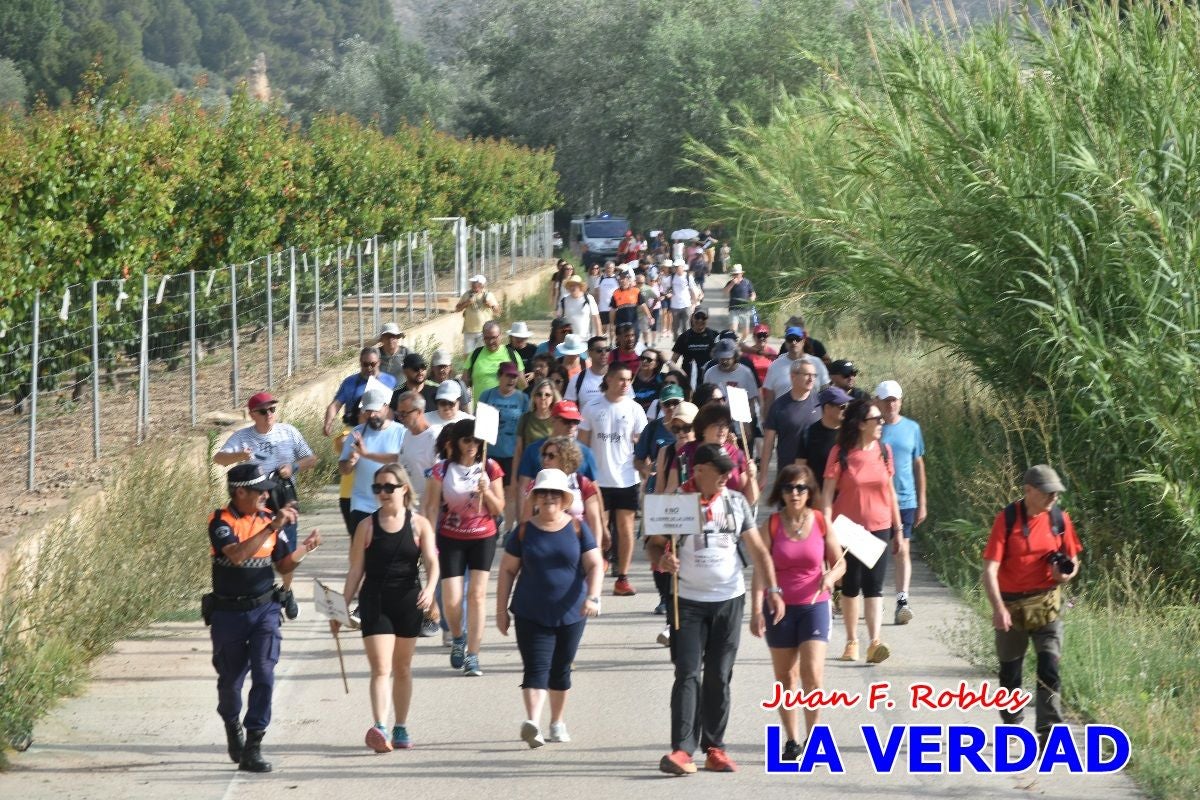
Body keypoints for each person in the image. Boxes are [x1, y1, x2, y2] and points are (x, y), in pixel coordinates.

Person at [647, 444, 784, 776]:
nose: (726, 476)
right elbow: (652, 544)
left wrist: (774, 591)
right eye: (719, 470)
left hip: (729, 600)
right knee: (688, 673)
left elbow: (759, 550)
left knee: (720, 676)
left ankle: (715, 748)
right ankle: (682, 750)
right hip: (688, 601)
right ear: (698, 470)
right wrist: (662, 559)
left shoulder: (735, 502)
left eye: (728, 471)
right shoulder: (676, 501)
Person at [206, 463, 322, 773]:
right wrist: (271, 528)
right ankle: (232, 723)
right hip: (228, 613)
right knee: (230, 682)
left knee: (265, 673)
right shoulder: (221, 522)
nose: (266, 496)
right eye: (260, 491)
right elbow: (236, 555)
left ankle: (254, 744)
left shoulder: (270, 519)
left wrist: (304, 550)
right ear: (240, 491)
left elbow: (283, 566)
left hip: (265, 611)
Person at [496, 468, 603, 748]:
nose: (549, 498)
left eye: (555, 493)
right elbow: (507, 570)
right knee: (535, 668)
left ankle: (556, 722)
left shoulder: (578, 528)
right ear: (536, 498)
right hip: (530, 612)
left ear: (564, 498)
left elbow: (594, 564)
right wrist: (500, 610)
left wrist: (593, 596)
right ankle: (532, 723)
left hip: (572, 612)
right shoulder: (523, 531)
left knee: (560, 669)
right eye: (543, 493)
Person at [338, 464, 438, 752]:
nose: (382, 493)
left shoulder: (419, 525)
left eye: (388, 487)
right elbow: (355, 571)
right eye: (377, 488)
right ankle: (380, 726)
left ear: (404, 488)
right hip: (375, 601)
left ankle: (401, 726)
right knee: (381, 667)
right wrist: (341, 608)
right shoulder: (366, 526)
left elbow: (432, 561)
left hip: (409, 600)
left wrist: (430, 589)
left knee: (402, 668)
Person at [982, 465, 1082, 749]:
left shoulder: (1059, 519)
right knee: (1010, 672)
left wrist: (1066, 574)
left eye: (1056, 493)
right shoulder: (1008, 519)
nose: (1053, 498)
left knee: (1049, 666)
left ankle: (1049, 733)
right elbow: (989, 570)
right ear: (1029, 491)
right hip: (1011, 606)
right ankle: (1012, 725)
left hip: (1047, 604)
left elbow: (1073, 560)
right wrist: (998, 608)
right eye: (1048, 493)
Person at [752, 464, 844, 759]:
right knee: (786, 678)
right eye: (789, 488)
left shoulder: (820, 522)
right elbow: (759, 570)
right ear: (780, 492)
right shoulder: (772, 526)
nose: (795, 493)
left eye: (801, 488)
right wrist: (756, 609)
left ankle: (814, 738)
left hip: (815, 605)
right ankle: (792, 740)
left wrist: (830, 577)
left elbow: (839, 561)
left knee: (812, 675)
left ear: (810, 492)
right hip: (779, 609)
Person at [821, 399, 902, 665]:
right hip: (848, 529)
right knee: (852, 586)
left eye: (881, 420)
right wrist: (827, 531)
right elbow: (827, 495)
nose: (880, 424)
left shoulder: (884, 451)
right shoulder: (840, 452)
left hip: (879, 527)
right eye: (875, 420)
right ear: (860, 424)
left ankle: (874, 642)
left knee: (874, 587)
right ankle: (851, 641)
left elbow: (890, 492)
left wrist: (898, 529)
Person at [423, 419, 505, 677]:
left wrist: (487, 492)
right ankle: (458, 637)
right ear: (456, 442)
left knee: (477, 596)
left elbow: (499, 508)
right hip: (451, 537)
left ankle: (473, 655)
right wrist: (426, 540)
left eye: (476, 441)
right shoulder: (441, 471)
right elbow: (431, 507)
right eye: (466, 440)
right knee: (451, 599)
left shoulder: (490, 468)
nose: (472, 446)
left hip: (483, 537)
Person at [578, 363, 647, 597]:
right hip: (598, 480)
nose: (625, 384)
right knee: (598, 530)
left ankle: (623, 577)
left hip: (627, 479)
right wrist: (583, 476)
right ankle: (596, 571)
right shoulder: (591, 406)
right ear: (608, 379)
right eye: (620, 379)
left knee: (626, 529)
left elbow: (641, 443)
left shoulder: (635, 409)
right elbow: (583, 445)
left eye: (628, 380)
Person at [875, 380, 927, 625]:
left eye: (894, 399)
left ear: (900, 401)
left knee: (901, 549)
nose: (891, 404)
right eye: (886, 400)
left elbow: (918, 464)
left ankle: (902, 600)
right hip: (877, 500)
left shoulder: (912, 428)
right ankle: (873, 597)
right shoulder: (872, 429)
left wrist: (922, 501)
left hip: (905, 498)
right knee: (874, 551)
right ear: (878, 402)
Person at [339, 387, 406, 537]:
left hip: (392, 503)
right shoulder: (356, 433)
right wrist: (350, 461)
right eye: (368, 411)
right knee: (362, 554)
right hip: (362, 504)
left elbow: (403, 461)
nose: (372, 415)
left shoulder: (401, 432)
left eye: (376, 410)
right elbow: (343, 470)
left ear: (386, 408)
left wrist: (367, 454)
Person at [663, 402, 758, 507]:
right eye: (717, 424)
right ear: (703, 427)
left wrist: (752, 478)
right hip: (695, 514)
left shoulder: (736, 454)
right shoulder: (686, 452)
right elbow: (671, 491)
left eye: (725, 424)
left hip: (728, 517)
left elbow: (749, 501)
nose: (722, 429)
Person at [516, 400, 599, 518]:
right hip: (541, 521)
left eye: (575, 422)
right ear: (553, 420)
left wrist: (602, 525)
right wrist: (521, 523)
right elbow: (523, 488)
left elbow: (594, 492)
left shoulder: (586, 453)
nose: (571, 426)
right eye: (566, 421)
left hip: (576, 525)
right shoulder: (533, 450)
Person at [479, 361, 531, 524]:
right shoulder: (487, 396)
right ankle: (492, 523)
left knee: (511, 492)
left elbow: (526, 427)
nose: (511, 380)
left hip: (512, 453)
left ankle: (508, 529)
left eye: (514, 377)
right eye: (508, 376)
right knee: (490, 491)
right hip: (490, 453)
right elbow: (480, 424)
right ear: (499, 376)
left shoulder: (522, 398)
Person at [759, 361, 821, 490]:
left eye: (814, 375)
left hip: (815, 474)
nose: (811, 379)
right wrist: (763, 475)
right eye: (807, 374)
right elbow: (768, 443)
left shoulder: (821, 403)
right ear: (793, 376)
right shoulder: (779, 406)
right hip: (789, 474)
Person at [323, 347, 397, 436]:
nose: (369, 368)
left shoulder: (390, 381)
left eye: (373, 364)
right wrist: (328, 423)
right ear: (360, 363)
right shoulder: (349, 382)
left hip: (381, 430)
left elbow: (395, 406)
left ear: (379, 362)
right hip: (354, 430)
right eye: (365, 364)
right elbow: (335, 405)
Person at [761, 327, 829, 413]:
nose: (794, 342)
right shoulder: (775, 365)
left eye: (797, 339)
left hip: (812, 418)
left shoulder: (817, 363)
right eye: (790, 339)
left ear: (803, 341)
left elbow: (826, 392)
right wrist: (766, 421)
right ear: (785, 343)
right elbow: (769, 398)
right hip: (783, 417)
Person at [797, 386, 851, 492]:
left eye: (847, 406)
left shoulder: (851, 432)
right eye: (842, 406)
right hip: (817, 500)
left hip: (846, 499)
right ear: (827, 408)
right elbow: (800, 468)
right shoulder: (809, 433)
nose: (846, 409)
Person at [635, 384, 682, 492]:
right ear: (661, 405)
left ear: (683, 403)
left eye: (675, 403)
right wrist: (646, 469)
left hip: (684, 486)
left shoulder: (691, 426)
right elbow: (637, 459)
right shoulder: (652, 428)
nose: (671, 407)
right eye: (667, 403)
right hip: (658, 486)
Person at [394, 391, 439, 499]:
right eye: (399, 414)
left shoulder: (434, 438)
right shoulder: (407, 433)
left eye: (404, 413)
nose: (401, 418)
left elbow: (439, 476)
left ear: (419, 412)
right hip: (408, 504)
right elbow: (401, 460)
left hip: (426, 507)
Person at [514, 378, 559, 484]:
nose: (543, 398)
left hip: (551, 473)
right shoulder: (525, 418)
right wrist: (513, 479)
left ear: (553, 398)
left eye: (547, 395)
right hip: (528, 472)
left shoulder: (557, 420)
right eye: (539, 394)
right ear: (534, 397)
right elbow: (518, 450)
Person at [465, 321, 525, 399]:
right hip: (482, 408)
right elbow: (464, 384)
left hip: (506, 407)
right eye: (487, 338)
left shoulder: (512, 354)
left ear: (501, 336)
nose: (490, 342)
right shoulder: (474, 355)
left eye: (493, 337)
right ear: (483, 337)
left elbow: (522, 385)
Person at [672, 307, 719, 389]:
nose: (700, 320)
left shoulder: (715, 335)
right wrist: (674, 377)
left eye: (703, 317)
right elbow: (673, 360)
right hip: (688, 379)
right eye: (697, 317)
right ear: (692, 317)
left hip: (709, 378)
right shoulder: (684, 337)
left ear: (707, 319)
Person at [456, 274, 500, 353]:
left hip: (484, 332)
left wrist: (490, 305)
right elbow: (457, 308)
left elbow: (498, 311)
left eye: (474, 282)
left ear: (481, 284)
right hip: (469, 331)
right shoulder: (467, 295)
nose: (472, 284)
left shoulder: (488, 295)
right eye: (472, 282)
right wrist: (467, 303)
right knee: (468, 355)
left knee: (482, 354)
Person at [565, 335, 610, 407]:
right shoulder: (577, 380)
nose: (604, 353)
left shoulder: (619, 376)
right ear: (589, 353)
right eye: (599, 350)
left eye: (607, 349)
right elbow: (569, 408)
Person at [609, 270, 652, 340]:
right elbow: (612, 310)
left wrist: (649, 317)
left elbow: (643, 305)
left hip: (633, 320)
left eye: (624, 278)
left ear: (628, 279)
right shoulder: (616, 293)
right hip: (621, 320)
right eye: (620, 278)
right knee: (621, 338)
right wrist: (611, 324)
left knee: (636, 336)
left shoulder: (636, 291)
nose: (622, 280)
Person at [664, 260, 700, 339]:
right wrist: (668, 294)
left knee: (686, 326)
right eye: (675, 267)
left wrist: (694, 304)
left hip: (686, 305)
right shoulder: (672, 277)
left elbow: (694, 290)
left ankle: (686, 344)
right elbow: (666, 289)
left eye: (678, 267)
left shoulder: (688, 277)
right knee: (675, 327)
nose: (676, 268)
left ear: (683, 267)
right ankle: (677, 344)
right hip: (675, 306)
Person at [722, 265, 757, 338]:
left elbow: (753, 293)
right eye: (734, 274)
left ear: (741, 274)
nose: (736, 276)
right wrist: (732, 283)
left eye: (737, 274)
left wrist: (752, 298)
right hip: (734, 309)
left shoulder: (747, 282)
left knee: (746, 332)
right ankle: (734, 344)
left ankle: (742, 343)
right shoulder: (730, 283)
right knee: (733, 330)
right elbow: (725, 292)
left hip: (745, 310)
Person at [592, 261, 620, 332]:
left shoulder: (618, 279)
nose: (609, 269)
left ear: (613, 268)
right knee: (603, 326)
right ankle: (604, 341)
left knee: (613, 326)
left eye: (610, 268)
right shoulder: (599, 279)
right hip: (602, 307)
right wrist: (596, 305)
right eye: (607, 268)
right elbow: (596, 293)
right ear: (605, 268)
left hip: (615, 307)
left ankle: (612, 342)